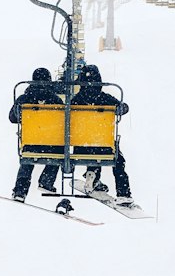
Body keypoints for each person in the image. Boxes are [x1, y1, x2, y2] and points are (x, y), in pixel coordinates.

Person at [73, 64, 133, 201]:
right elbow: (124, 107)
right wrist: (119, 109)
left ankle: (92, 174)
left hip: (81, 147)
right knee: (118, 160)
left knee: (91, 145)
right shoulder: (105, 98)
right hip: (103, 145)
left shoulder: (76, 100)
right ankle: (123, 193)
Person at [9, 67, 63, 201]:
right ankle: (46, 181)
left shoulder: (24, 99)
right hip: (51, 145)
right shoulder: (56, 100)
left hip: (31, 143)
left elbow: (12, 118)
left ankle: (20, 191)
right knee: (59, 151)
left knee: (27, 160)